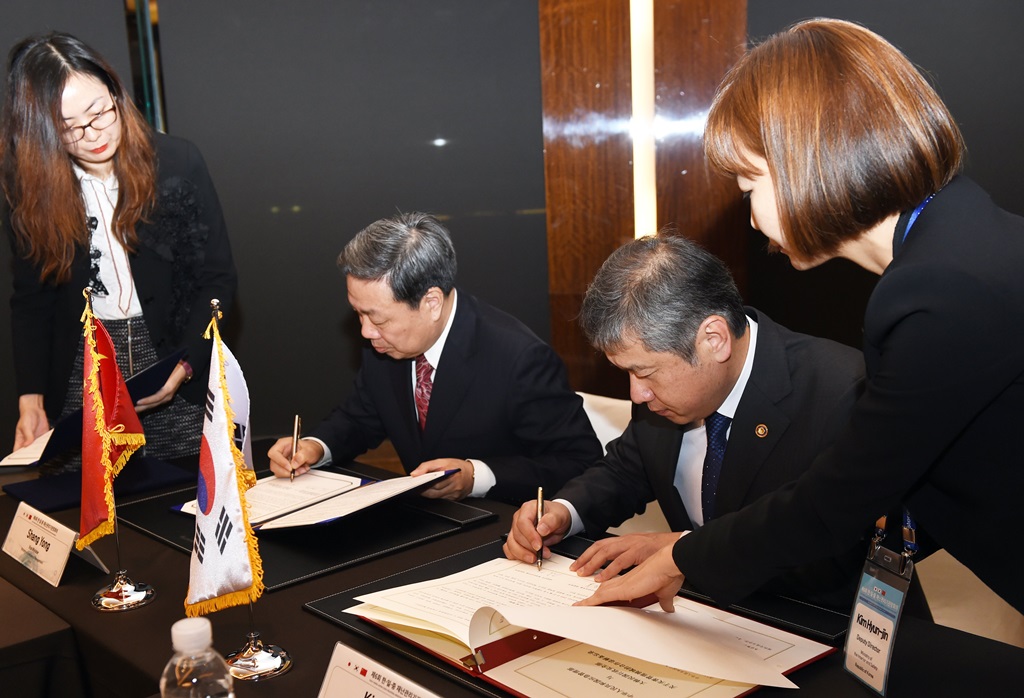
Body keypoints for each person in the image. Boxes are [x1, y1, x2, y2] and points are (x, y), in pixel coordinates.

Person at [579, 18, 1024, 615]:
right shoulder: (964, 243)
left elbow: (840, 498)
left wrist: (685, 557)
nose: (754, 218)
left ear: (812, 159)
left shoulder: (937, 291)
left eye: (749, 186)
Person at [504, 234, 867, 608]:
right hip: (697, 614)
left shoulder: (841, 392)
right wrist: (564, 513)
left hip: (816, 625)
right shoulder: (663, 393)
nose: (637, 394)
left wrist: (686, 551)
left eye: (645, 373)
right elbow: (626, 471)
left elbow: (832, 543)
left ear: (714, 339)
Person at [1, 32, 237, 467]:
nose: (93, 135)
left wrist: (184, 365)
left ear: (115, 92)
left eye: (99, 112)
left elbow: (217, 278)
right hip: (84, 363)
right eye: (70, 129)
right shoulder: (29, 189)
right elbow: (31, 301)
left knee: (185, 495)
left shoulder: (178, 162)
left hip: (171, 354)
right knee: (91, 507)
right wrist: (30, 399)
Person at [267, 212, 601, 504]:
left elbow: (578, 462)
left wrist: (475, 476)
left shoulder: (519, 359)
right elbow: (359, 418)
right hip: (426, 520)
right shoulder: (385, 344)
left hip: (505, 525)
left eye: (377, 318)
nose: (366, 332)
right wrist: (314, 447)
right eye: (357, 314)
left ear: (431, 303)